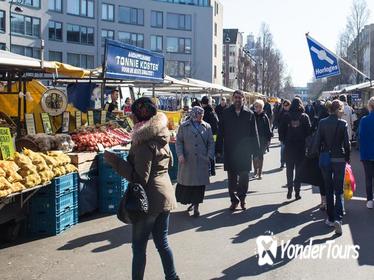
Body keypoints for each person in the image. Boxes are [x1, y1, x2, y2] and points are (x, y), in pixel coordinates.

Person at [103, 97, 179, 280]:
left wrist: (115, 161)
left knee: (139, 247)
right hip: (165, 196)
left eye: (133, 116)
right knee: (162, 242)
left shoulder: (144, 143)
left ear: (139, 118)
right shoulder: (161, 137)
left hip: (149, 201)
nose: (132, 120)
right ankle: (173, 277)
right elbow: (171, 165)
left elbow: (139, 179)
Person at [313, 100, 350, 235]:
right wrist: (347, 159)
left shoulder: (322, 122)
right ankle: (338, 219)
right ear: (339, 109)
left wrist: (319, 155)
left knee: (328, 188)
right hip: (339, 159)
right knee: (338, 189)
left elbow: (317, 142)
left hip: (325, 158)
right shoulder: (343, 124)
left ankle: (330, 218)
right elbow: (346, 144)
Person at [216, 90, 257, 211]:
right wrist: (218, 149)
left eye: (240, 97)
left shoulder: (249, 114)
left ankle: (242, 198)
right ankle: (234, 200)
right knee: (232, 178)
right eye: (236, 97)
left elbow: (254, 134)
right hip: (230, 150)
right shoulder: (226, 113)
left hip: (245, 152)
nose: (238, 99)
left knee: (244, 177)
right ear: (232, 99)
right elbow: (220, 132)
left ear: (244, 99)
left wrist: (256, 151)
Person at [175, 106, 215, 217]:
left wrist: (209, 156)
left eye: (202, 114)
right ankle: (192, 202)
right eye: (199, 114)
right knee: (189, 185)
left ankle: (197, 207)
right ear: (193, 114)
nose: (201, 116)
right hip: (188, 161)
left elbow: (211, 143)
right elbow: (179, 142)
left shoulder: (207, 126)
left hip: (202, 160)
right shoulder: (184, 126)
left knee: (199, 186)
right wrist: (180, 155)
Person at [279, 98, 311, 200]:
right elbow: (309, 132)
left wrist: (284, 140)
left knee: (289, 169)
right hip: (300, 147)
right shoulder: (304, 116)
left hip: (289, 146)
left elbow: (281, 130)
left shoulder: (286, 116)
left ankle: (289, 189)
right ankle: (297, 192)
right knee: (299, 170)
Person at [359, 97, 374, 209]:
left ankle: (369, 200)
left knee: (368, 178)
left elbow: (360, 137)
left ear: (369, 106)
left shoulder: (364, 120)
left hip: (367, 154)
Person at [252, 99, 272, 179]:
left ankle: (260, 172)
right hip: (253, 139)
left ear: (262, 107)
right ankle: (255, 171)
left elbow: (268, 129)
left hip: (262, 140)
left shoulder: (265, 116)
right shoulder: (252, 115)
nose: (257, 108)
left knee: (260, 156)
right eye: (255, 106)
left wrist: (268, 140)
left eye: (258, 106)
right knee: (254, 156)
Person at [278, 99, 291, 169]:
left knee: (288, 149)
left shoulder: (292, 113)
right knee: (283, 149)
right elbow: (279, 125)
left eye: (287, 105)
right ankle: (282, 162)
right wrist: (280, 137)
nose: (285, 106)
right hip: (283, 134)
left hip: (290, 134)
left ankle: (287, 161)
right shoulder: (281, 113)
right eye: (284, 105)